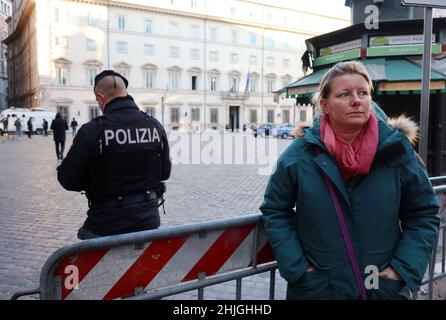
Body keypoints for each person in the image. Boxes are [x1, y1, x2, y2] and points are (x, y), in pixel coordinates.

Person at [260, 61, 440, 300]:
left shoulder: (397, 152)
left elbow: (423, 213)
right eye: (344, 94)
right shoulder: (301, 154)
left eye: (363, 93)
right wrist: (299, 270)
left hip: (381, 290)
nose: (356, 100)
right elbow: (275, 209)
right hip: (319, 291)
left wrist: (401, 270)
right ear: (324, 105)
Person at [57, 70, 171, 240]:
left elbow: (68, 179)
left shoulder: (92, 130)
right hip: (148, 220)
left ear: (101, 98)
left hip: (106, 223)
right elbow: (165, 173)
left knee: (84, 237)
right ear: (126, 93)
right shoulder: (155, 125)